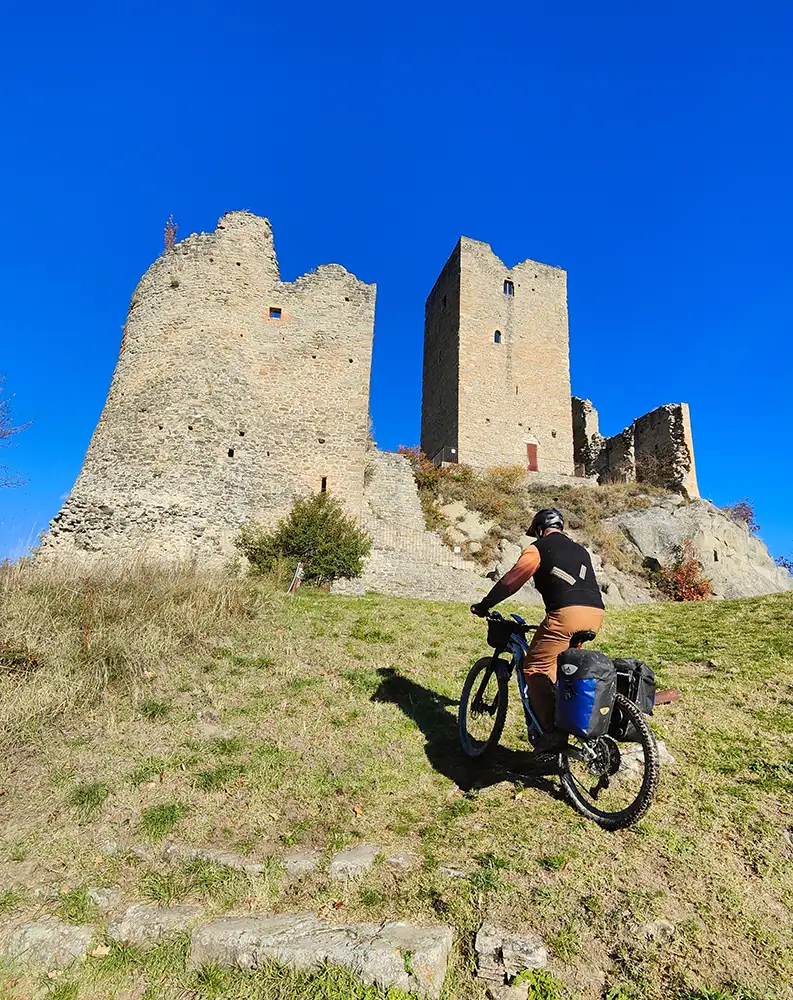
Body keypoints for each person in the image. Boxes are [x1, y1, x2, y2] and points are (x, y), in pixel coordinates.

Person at [471, 507, 605, 752]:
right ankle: (564, 714)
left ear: (540, 530)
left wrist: (484, 605)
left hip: (567, 615)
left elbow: (512, 580)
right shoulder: (580, 550)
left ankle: (551, 735)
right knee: (559, 667)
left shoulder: (538, 548)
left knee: (534, 667)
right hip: (596, 614)